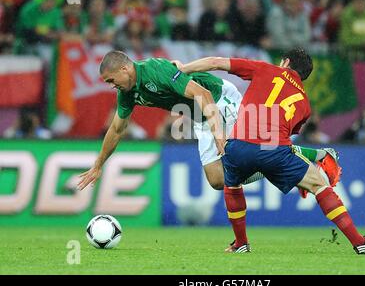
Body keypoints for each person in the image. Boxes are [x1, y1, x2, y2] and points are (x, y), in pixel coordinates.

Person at [174, 48, 365, 255]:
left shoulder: (264, 69)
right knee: (319, 185)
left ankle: (241, 243)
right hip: (275, 150)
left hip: (239, 147)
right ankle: (359, 242)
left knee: (232, 182)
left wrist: (184, 68)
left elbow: (215, 62)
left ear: (285, 62)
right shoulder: (305, 104)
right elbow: (287, 137)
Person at [77, 50, 339, 192]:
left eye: (111, 80)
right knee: (217, 181)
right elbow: (116, 129)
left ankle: (311, 155)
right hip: (200, 115)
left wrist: (219, 134)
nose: (111, 86)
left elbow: (202, 94)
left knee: (254, 151)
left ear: (125, 68)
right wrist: (98, 165)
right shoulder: (127, 92)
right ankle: (295, 164)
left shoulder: (155, 71)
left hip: (218, 98)